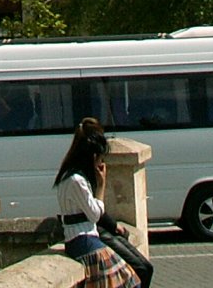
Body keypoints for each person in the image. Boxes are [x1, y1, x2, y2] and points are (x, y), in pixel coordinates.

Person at [54, 117, 151, 288]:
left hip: (84, 239)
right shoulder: (76, 180)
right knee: (130, 280)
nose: (101, 162)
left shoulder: (70, 177)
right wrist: (101, 185)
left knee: (131, 278)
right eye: (100, 157)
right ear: (92, 156)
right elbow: (94, 214)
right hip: (83, 240)